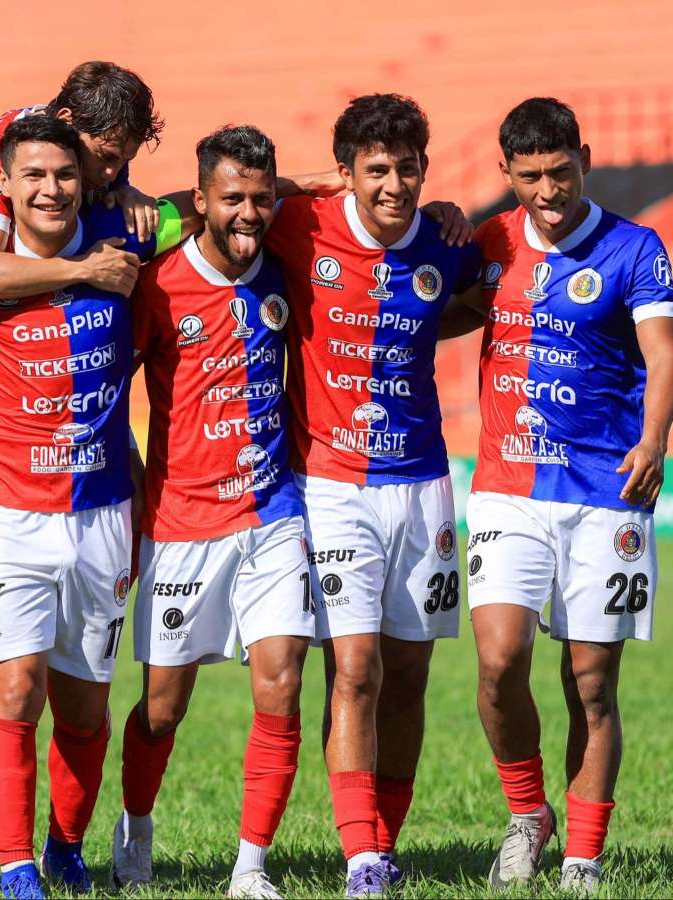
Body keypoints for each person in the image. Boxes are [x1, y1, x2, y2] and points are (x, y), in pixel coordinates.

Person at [0, 60, 168, 769]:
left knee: (129, 495)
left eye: (125, 161)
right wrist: (87, 268)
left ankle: (60, 654)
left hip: (56, 373)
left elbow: (201, 204)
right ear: (71, 130)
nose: (114, 173)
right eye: (109, 158)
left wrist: (124, 190)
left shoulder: (95, 179)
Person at [0, 114, 185, 900]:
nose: (50, 189)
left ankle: (65, 844)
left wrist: (304, 187)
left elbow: (220, 205)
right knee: (15, 690)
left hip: (99, 510)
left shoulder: (129, 238)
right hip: (3, 509)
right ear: (7, 186)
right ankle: (16, 866)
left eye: (63, 175)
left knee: (84, 710)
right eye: (33, 177)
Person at [262, 94, 482, 896]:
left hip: (423, 486)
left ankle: (384, 840)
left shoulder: (447, 240)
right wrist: (308, 182)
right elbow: (217, 201)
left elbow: (481, 297)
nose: (394, 184)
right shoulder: (302, 227)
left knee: (409, 674)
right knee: (353, 670)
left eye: (408, 168)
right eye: (376, 169)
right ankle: (360, 858)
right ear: (349, 172)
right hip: (331, 488)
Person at [460, 97, 673, 893]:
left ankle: (582, 858)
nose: (547, 191)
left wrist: (653, 442)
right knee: (498, 660)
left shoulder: (635, 248)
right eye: (530, 177)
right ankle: (527, 816)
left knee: (590, 680)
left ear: (584, 156)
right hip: (509, 487)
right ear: (506, 173)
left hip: (606, 492)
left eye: (560, 172)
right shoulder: (491, 243)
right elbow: (438, 310)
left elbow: (662, 353)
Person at [111, 125, 313, 900]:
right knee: (162, 710)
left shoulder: (285, 270)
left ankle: (250, 868)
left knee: (281, 681)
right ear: (199, 201)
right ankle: (135, 823)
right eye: (232, 198)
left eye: (262, 198)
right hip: (182, 525)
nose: (250, 213)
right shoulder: (158, 285)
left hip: (273, 513)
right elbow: (102, 388)